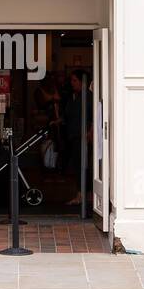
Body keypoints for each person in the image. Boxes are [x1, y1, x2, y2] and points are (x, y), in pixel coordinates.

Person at [62, 69, 91, 207]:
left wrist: (90, 132)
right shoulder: (74, 97)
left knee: (83, 166)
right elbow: (68, 114)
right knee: (77, 165)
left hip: (83, 137)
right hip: (74, 136)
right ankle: (81, 194)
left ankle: (83, 195)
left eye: (75, 80)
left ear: (82, 81)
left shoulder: (88, 97)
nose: (72, 83)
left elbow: (93, 116)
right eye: (71, 80)